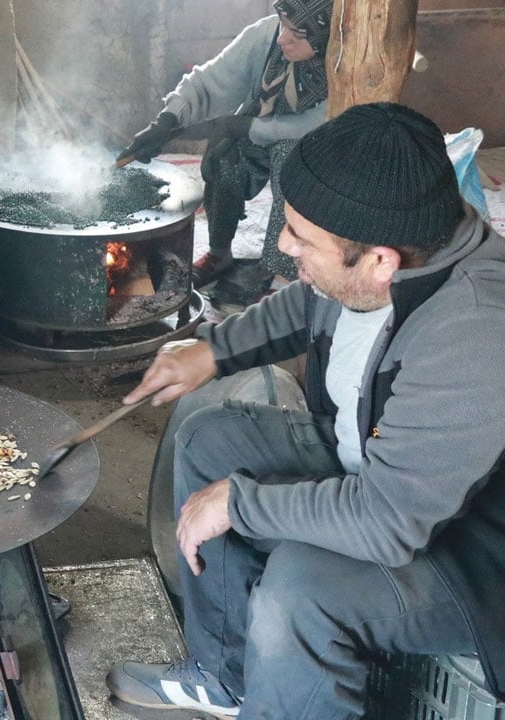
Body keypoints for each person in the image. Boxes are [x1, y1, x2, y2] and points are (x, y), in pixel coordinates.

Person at [105, 103, 505, 718]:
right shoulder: (400, 246)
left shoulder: (477, 333)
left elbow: (388, 522)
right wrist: (214, 350)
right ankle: (228, 678)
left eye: (302, 238)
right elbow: (311, 298)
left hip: (473, 556)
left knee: (299, 587)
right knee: (209, 439)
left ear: (380, 262)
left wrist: (240, 502)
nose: (285, 244)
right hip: (373, 459)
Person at [116, 0, 334, 306]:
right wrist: (167, 121)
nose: (284, 37)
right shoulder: (267, 36)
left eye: (298, 33)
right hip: (260, 130)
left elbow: (315, 124)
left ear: (324, 34)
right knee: (223, 156)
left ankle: (284, 275)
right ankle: (220, 253)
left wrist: (245, 126)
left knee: (291, 159)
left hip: (315, 152)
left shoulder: (342, 63)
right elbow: (211, 80)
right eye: (283, 24)